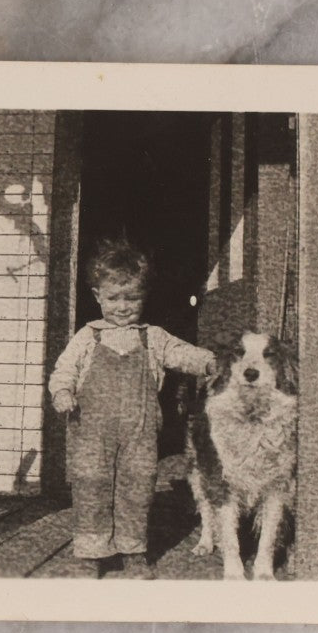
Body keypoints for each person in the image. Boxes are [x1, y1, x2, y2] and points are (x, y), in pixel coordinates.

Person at [47, 239, 216, 579]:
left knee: (138, 487)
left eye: (132, 298)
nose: (123, 307)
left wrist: (211, 362)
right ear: (98, 296)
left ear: (144, 296)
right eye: (113, 298)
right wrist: (63, 391)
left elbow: (183, 354)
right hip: (92, 432)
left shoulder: (152, 337)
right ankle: (90, 553)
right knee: (92, 486)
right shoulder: (87, 336)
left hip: (139, 431)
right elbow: (63, 370)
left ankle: (133, 550)